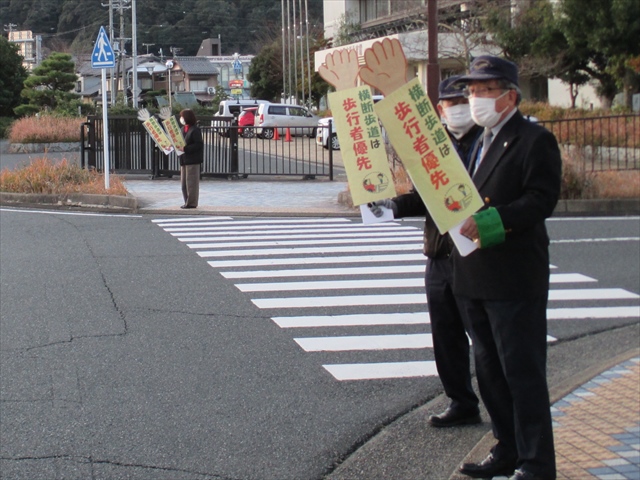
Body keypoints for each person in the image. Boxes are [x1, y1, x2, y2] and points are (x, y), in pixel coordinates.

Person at [451, 56, 562, 480]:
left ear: (510, 96)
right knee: (490, 371)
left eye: (485, 90)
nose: (475, 98)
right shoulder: (475, 140)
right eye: (472, 90)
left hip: (515, 278)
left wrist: (492, 221)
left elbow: (540, 199)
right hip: (474, 275)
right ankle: (507, 448)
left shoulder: (534, 139)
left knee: (522, 373)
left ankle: (537, 464)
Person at [371, 75, 483, 428]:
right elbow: (426, 199)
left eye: (464, 102)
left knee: (484, 337)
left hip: (476, 255)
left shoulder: (488, 143)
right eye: (452, 104)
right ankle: (461, 401)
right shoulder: (435, 148)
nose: (459, 109)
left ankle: (503, 411)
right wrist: (391, 207)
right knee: (445, 334)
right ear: (439, 110)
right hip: (439, 254)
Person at [178, 108, 203, 209]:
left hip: (192, 160)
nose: (181, 119)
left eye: (182, 117)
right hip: (184, 159)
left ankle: (191, 203)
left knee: (191, 183)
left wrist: (185, 148)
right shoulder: (182, 129)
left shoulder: (195, 130)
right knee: (184, 184)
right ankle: (186, 201)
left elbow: (198, 145)